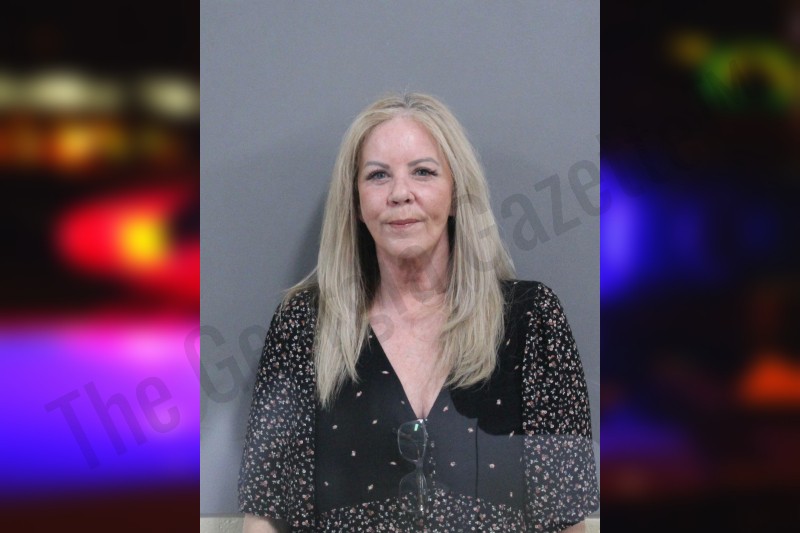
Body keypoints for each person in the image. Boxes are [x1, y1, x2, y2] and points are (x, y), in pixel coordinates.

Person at [239, 93, 599, 532]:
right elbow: (266, 515)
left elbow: (566, 517)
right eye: (378, 176)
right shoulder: (303, 326)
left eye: (423, 172)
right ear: (356, 202)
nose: (400, 194)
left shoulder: (532, 321)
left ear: (456, 193)